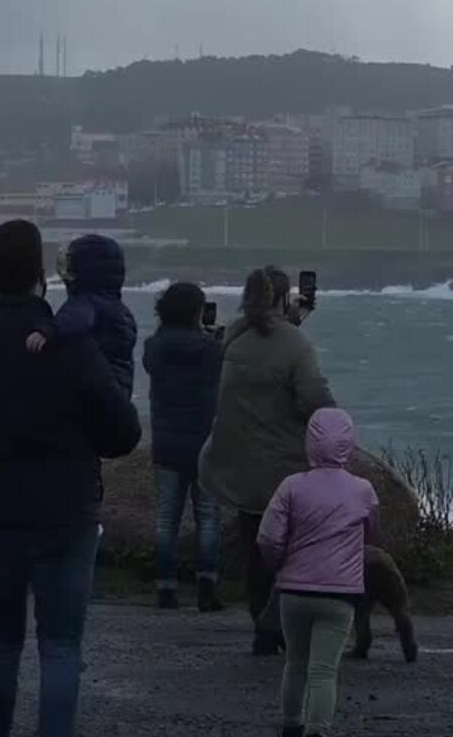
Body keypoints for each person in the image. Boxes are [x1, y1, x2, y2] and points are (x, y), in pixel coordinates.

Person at [0, 220, 141, 737]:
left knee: (0, 642)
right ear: (42, 274)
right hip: (66, 510)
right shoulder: (73, 346)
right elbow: (122, 434)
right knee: (59, 646)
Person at [197, 266, 336, 655]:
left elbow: (258, 344)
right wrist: (337, 425)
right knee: (291, 551)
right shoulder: (295, 344)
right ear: (283, 298)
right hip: (283, 466)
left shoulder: (234, 339)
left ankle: (261, 626)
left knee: (255, 549)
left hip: (239, 464)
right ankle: (283, 625)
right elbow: (313, 399)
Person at [257, 408, 380, 737]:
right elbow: (372, 534)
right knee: (324, 670)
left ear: (309, 441)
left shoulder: (291, 486)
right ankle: (318, 729)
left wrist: (279, 564)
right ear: (349, 444)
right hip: (340, 594)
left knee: (295, 663)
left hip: (294, 591)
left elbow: (268, 537)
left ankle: (290, 725)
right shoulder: (363, 490)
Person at [141, 282, 223, 612]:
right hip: (205, 442)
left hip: (167, 442)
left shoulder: (154, 346)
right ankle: (207, 588)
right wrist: (211, 337)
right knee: (208, 518)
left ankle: (165, 588)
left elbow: (152, 362)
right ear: (196, 312)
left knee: (166, 520)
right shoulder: (211, 349)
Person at [22, 233, 138, 397]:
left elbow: (75, 319)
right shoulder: (120, 310)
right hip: (119, 392)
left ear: (84, 271)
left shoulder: (86, 302)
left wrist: (47, 330)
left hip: (96, 394)